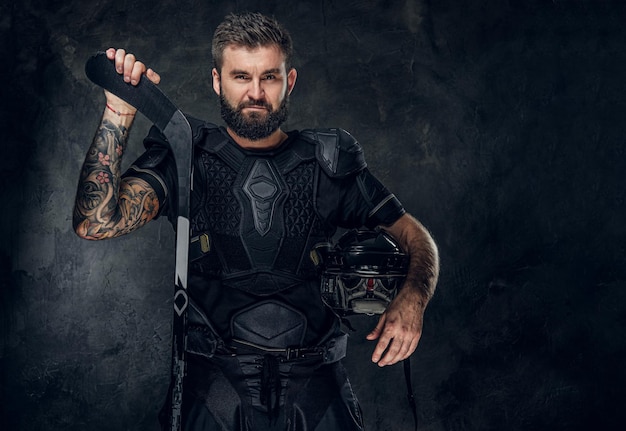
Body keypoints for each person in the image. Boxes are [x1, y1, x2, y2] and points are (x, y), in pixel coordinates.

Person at [73, 12, 439, 431]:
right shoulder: (185, 153)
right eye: (241, 76)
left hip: (316, 386)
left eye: (269, 77)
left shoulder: (327, 162)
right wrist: (118, 114)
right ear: (217, 80)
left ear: (291, 81)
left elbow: (414, 236)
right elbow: (94, 223)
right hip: (213, 384)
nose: (255, 93)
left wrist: (414, 298)